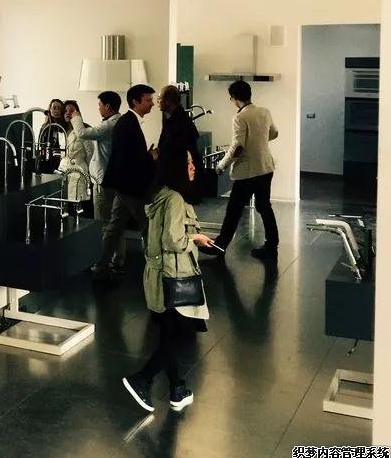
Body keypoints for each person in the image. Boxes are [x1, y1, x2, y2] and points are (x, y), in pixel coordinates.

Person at [122, 150, 216, 413]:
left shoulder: (163, 195)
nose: (193, 167)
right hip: (174, 276)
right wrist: (196, 239)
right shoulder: (175, 198)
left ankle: (177, 388)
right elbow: (173, 240)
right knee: (179, 335)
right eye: (187, 163)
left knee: (169, 334)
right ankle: (142, 379)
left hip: (160, 274)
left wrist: (196, 236)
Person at [201, 80, 280, 262]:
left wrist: (221, 165)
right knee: (264, 206)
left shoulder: (240, 117)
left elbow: (237, 146)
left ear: (234, 98)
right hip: (266, 167)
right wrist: (258, 141)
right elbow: (274, 133)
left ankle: (220, 246)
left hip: (247, 172)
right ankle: (272, 245)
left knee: (234, 210)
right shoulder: (264, 112)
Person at [93, 84, 156, 280]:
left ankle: (101, 266)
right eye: (148, 100)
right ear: (135, 102)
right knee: (148, 227)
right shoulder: (127, 124)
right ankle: (155, 267)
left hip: (124, 187)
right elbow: (128, 159)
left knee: (114, 227)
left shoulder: (128, 122)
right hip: (131, 188)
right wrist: (150, 157)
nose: (152, 104)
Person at [69, 91, 122, 221]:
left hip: (103, 179)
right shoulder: (118, 121)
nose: (98, 108)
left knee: (101, 218)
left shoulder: (108, 125)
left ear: (107, 106)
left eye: (99, 105)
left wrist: (76, 117)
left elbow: (82, 133)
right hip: (112, 176)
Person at [156, 84, 202, 172]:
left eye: (159, 98)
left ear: (168, 101)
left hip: (180, 173)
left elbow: (173, 151)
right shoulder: (172, 118)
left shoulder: (180, 122)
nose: (157, 102)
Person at [59, 100, 94, 202]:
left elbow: (90, 154)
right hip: (63, 170)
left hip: (79, 170)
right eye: (65, 111)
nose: (68, 113)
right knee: (62, 201)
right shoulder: (61, 131)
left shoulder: (84, 131)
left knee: (76, 202)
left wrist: (91, 175)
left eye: (71, 111)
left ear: (78, 113)